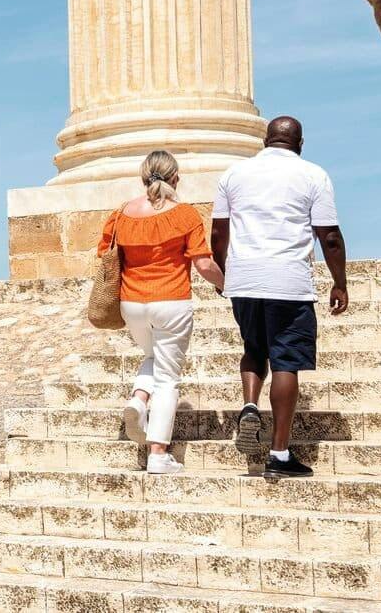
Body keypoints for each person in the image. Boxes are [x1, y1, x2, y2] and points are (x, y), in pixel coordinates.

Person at [210, 115, 348, 479]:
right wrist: (340, 282)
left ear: (265, 140)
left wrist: (225, 273)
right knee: (286, 362)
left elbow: (218, 232)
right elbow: (329, 235)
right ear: (299, 143)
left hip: (245, 278)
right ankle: (280, 453)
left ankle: (250, 404)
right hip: (288, 281)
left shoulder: (233, 174)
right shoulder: (313, 174)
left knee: (254, 349)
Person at [96, 150, 227, 475]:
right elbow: (203, 263)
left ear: (144, 178)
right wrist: (226, 284)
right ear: (176, 177)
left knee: (153, 356)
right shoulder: (185, 215)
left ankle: (139, 400)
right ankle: (158, 453)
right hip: (171, 301)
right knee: (168, 378)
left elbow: (104, 253)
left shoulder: (121, 214)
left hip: (132, 303)